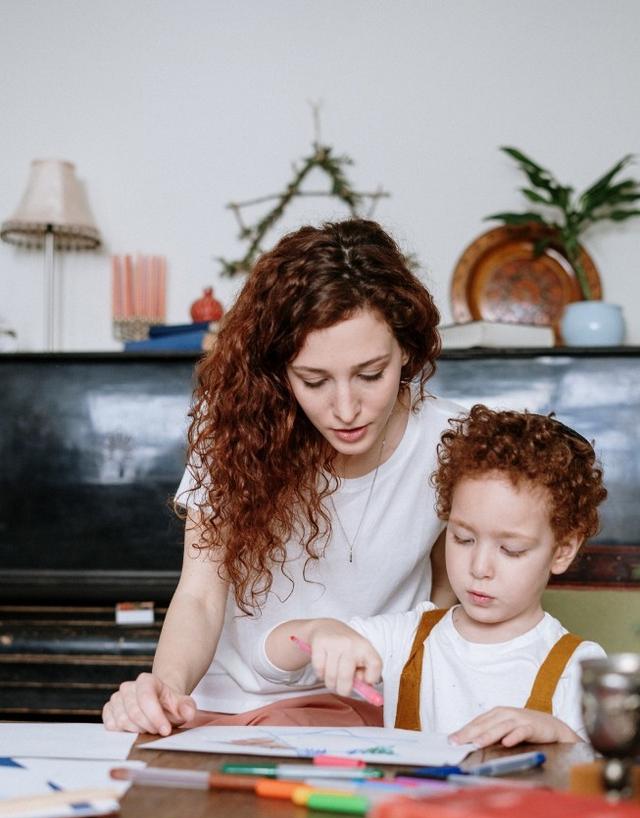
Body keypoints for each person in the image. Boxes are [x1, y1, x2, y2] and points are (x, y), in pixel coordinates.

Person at [102, 218, 462, 735]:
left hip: (366, 706)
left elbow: (448, 592)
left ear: (406, 348)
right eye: (314, 380)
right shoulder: (235, 423)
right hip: (224, 702)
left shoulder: (449, 441)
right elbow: (202, 593)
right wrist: (167, 691)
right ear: (280, 369)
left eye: (370, 374)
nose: (345, 409)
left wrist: (400, 681)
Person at [262, 405, 608, 746]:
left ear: (562, 550)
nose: (479, 568)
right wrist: (317, 631)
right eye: (463, 539)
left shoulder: (579, 666)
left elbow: (603, 779)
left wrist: (559, 735)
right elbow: (272, 661)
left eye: (511, 550)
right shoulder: (405, 640)